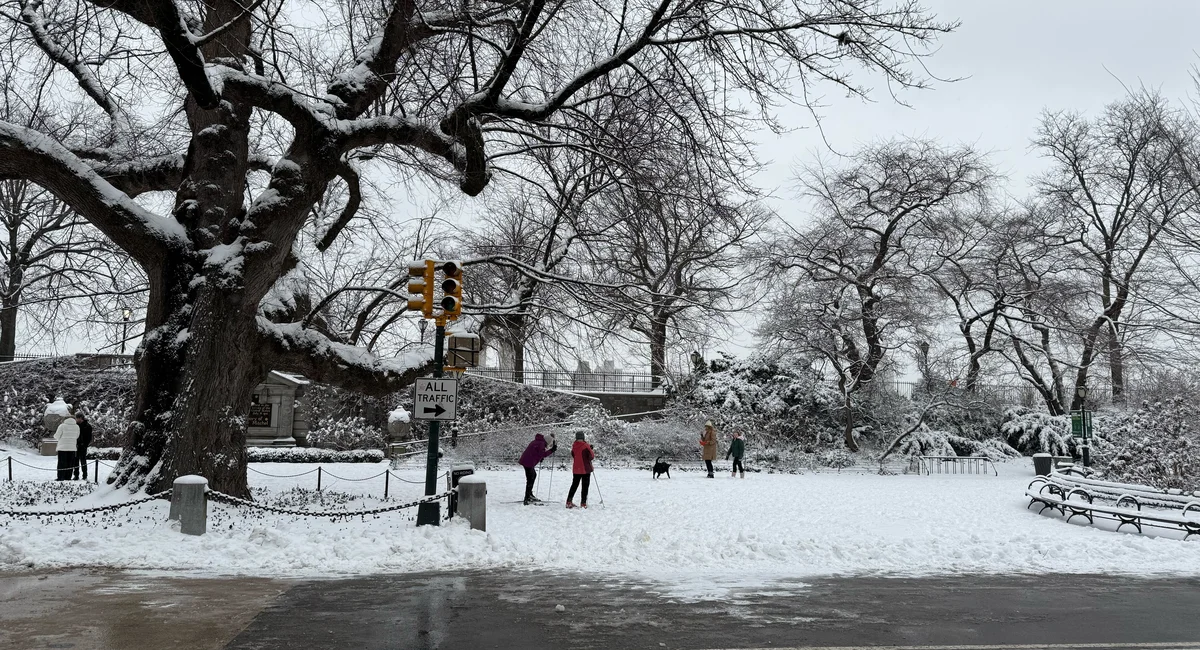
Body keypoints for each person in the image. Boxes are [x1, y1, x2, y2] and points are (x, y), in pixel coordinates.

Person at [518, 432, 557, 504]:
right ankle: (527, 497)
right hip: (528, 462)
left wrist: (540, 457)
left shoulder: (538, 442)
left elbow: (536, 452)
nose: (549, 446)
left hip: (527, 461)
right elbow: (543, 453)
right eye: (550, 444)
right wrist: (552, 450)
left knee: (533, 476)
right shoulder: (541, 444)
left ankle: (529, 494)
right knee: (531, 478)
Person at [566, 431, 595, 509]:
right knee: (585, 486)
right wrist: (591, 449)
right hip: (585, 469)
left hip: (576, 469)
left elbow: (573, 455)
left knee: (574, 485)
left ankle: (569, 501)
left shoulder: (574, 446)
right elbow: (591, 456)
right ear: (583, 437)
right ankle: (583, 503)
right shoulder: (586, 445)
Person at [53, 412, 80, 481]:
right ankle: (68, 477)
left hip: (62, 447)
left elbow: (56, 436)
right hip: (72, 447)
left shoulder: (62, 426)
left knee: (61, 463)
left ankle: (61, 477)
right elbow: (77, 436)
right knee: (70, 463)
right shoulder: (77, 427)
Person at [73, 412, 93, 481]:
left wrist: (85, 444)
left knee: (83, 461)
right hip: (76, 445)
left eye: (77, 418)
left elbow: (89, 437)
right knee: (76, 461)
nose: (76, 419)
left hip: (83, 445)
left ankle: (84, 475)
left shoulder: (87, 426)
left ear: (80, 418)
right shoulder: (76, 425)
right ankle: (76, 475)